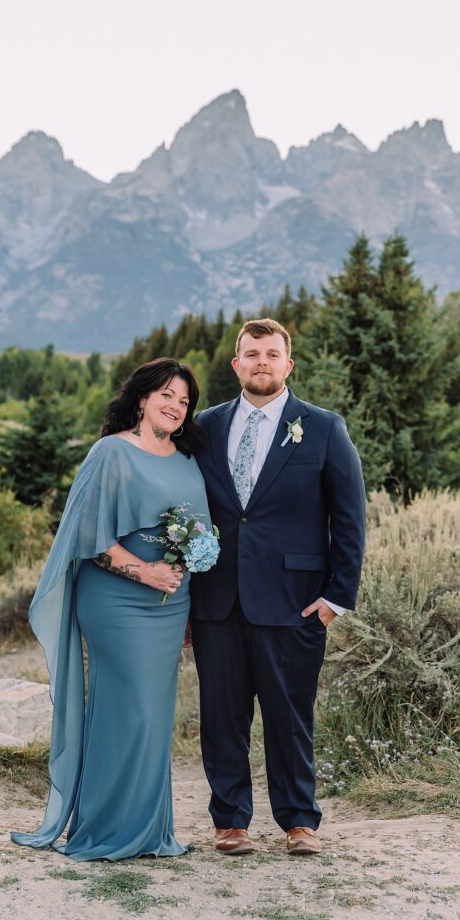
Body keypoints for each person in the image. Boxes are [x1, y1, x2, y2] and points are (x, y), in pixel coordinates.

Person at [11, 358, 211, 861]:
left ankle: (148, 831)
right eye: (166, 394)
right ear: (142, 398)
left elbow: (198, 534)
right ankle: (103, 830)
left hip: (170, 605)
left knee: (154, 716)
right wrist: (145, 573)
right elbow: (86, 535)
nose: (175, 406)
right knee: (127, 710)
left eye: (184, 401)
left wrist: (185, 598)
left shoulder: (187, 459)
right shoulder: (110, 453)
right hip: (117, 600)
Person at [191, 318, 366, 856]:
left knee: (290, 717)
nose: (261, 361)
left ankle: (298, 822)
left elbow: (349, 516)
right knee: (222, 716)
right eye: (251, 353)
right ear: (236, 364)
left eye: (272, 353)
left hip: (295, 604)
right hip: (217, 602)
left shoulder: (322, 427)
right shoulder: (203, 427)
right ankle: (231, 821)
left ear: (288, 365)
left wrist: (336, 598)